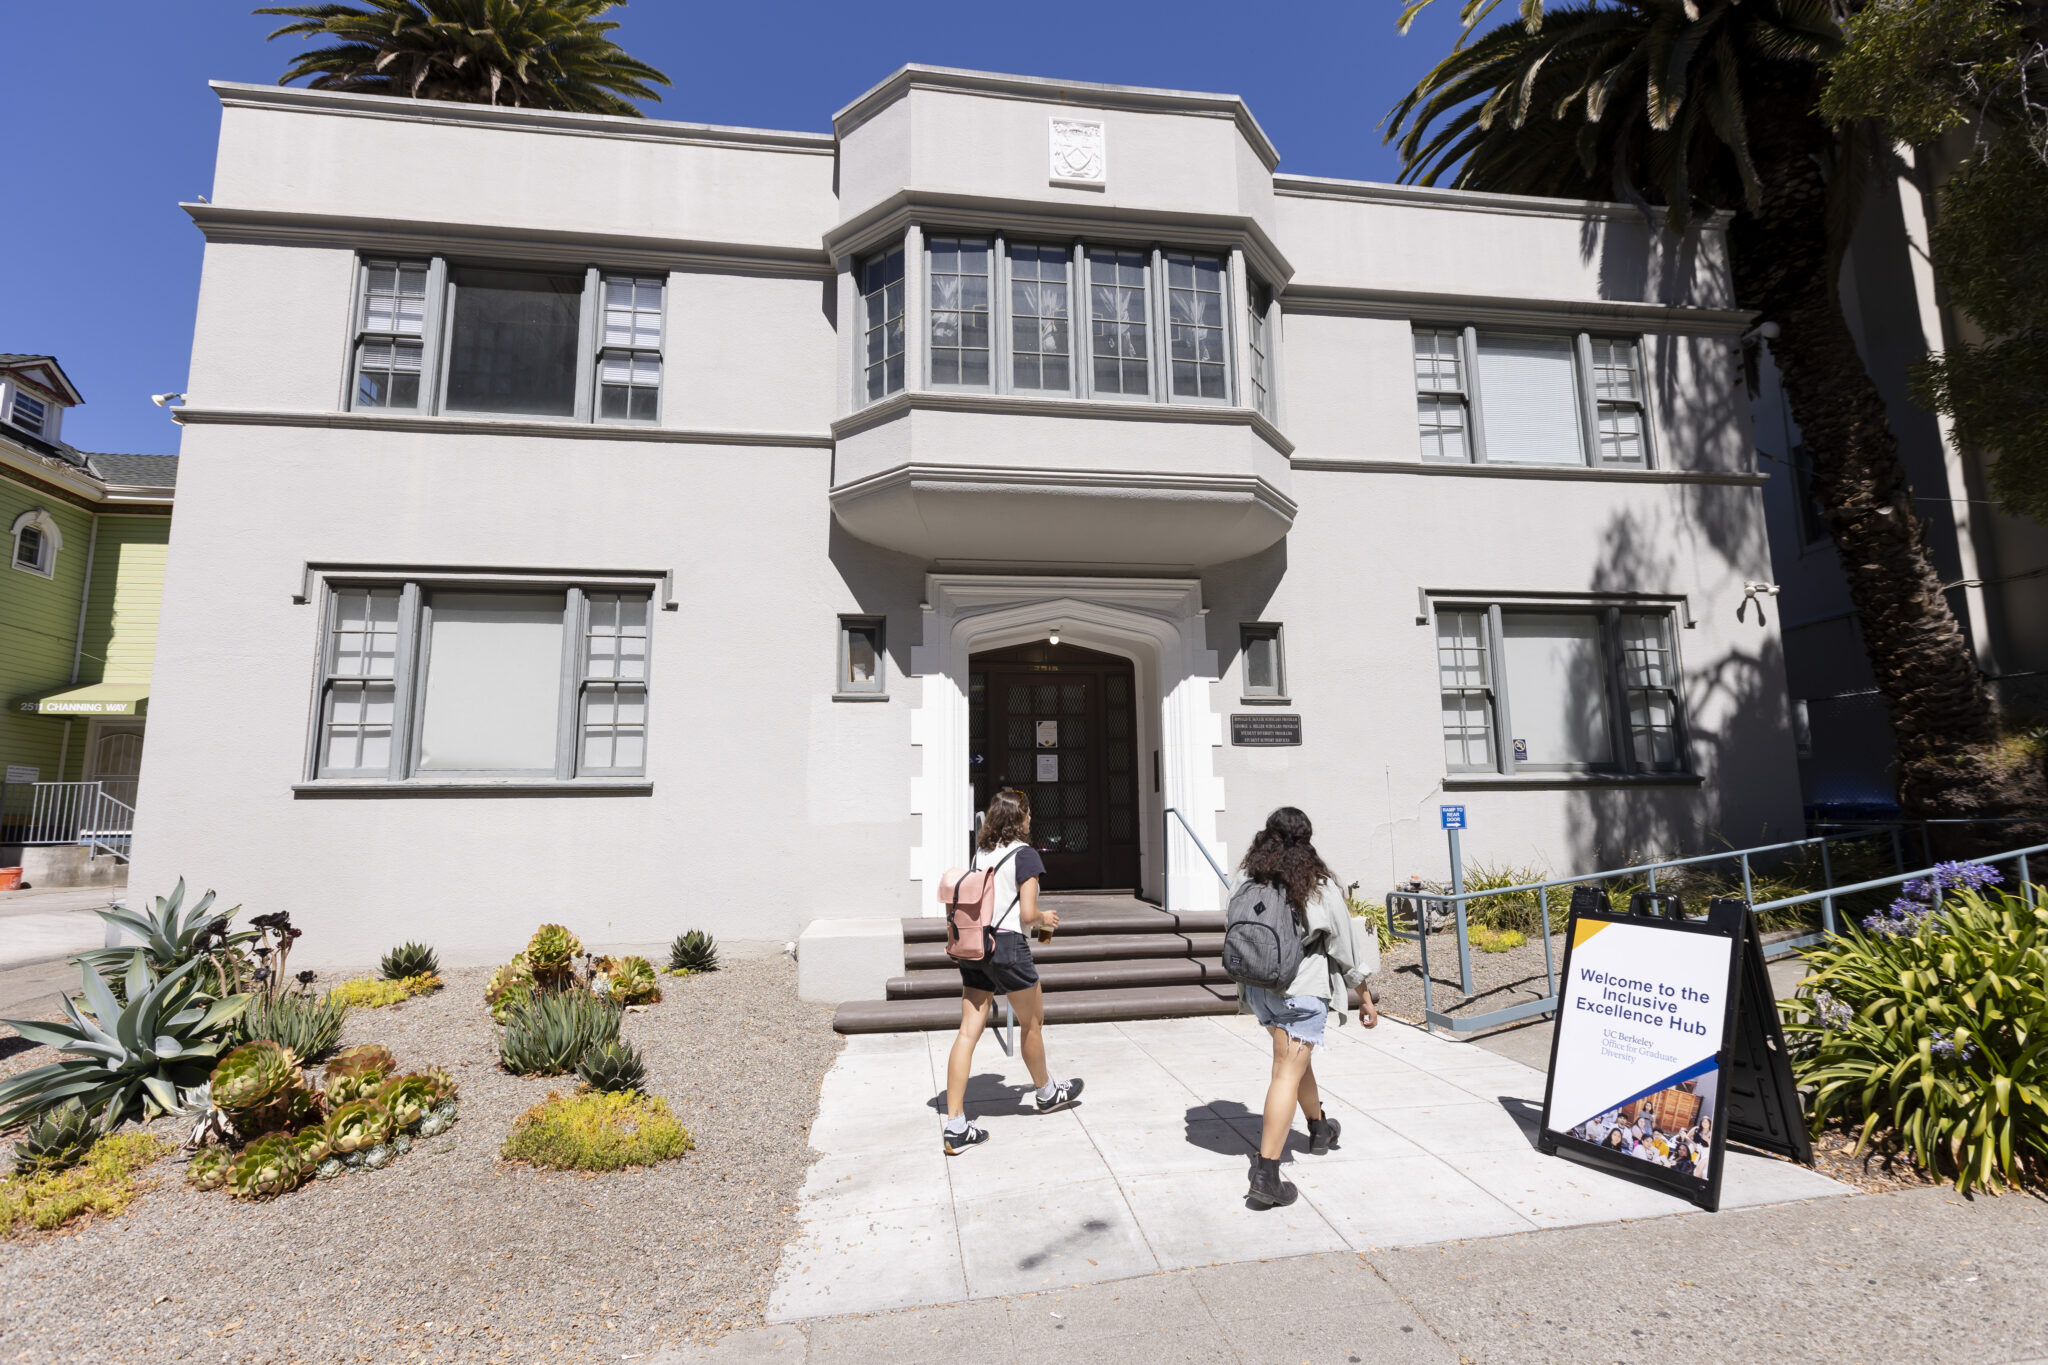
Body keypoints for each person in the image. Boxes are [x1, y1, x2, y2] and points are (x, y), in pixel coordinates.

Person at [1234, 807, 1378, 1208]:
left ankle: (1318, 1128)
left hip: (1261, 988)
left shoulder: (1249, 878)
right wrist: (1364, 998)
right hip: (1302, 990)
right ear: (1306, 841)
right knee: (1285, 1072)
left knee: (1295, 1062)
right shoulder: (1316, 884)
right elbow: (1345, 948)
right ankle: (1267, 1174)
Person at [941, 788, 1083, 1156]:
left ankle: (956, 1125)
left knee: (967, 1032)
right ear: (1019, 819)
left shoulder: (981, 853)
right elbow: (1026, 915)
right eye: (1029, 812)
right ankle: (1046, 1092)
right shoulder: (1026, 855)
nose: (1032, 818)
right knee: (1032, 1023)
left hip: (975, 947)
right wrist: (1045, 918)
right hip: (1008, 948)